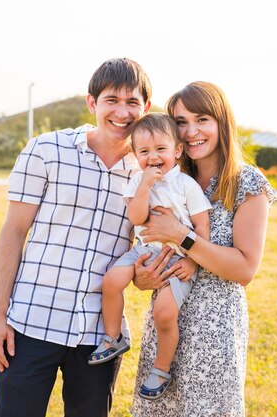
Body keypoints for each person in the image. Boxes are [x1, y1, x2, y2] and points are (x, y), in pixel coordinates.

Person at [0, 57, 152, 417]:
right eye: (112, 100)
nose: (122, 112)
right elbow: (13, 232)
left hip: (98, 335)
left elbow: (146, 247)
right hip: (30, 322)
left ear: (146, 108)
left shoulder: (148, 173)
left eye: (132, 102)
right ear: (92, 103)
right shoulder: (46, 151)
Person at [130, 81, 277, 416]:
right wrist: (142, 276)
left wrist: (182, 235)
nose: (191, 131)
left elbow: (244, 270)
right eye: (181, 122)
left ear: (221, 122)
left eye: (202, 120)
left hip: (214, 334)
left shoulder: (246, 184)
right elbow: (146, 241)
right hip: (166, 326)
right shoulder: (166, 180)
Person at [87, 113, 211, 400]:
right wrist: (144, 186)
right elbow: (137, 217)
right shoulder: (137, 183)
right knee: (112, 281)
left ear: (177, 151)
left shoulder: (186, 185)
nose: (153, 157)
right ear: (135, 154)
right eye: (144, 151)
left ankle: (161, 369)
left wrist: (192, 261)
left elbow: (202, 226)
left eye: (160, 150)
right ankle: (113, 336)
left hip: (178, 257)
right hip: (145, 250)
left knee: (164, 314)